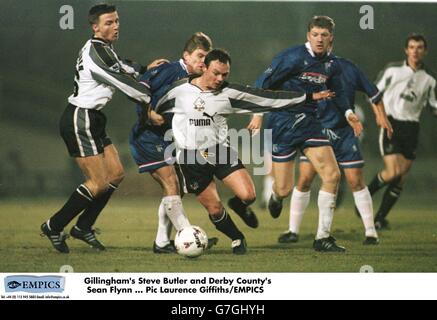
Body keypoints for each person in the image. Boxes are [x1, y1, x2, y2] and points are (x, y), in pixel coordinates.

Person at [155, 49, 326, 254]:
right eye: (216, 73)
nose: (220, 78)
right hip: (191, 158)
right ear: (204, 68)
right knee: (215, 209)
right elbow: (156, 104)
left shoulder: (229, 93)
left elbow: (268, 98)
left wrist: (308, 97)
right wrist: (151, 116)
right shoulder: (179, 90)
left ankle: (239, 204)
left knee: (249, 195)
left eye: (225, 74)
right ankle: (237, 238)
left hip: (219, 152)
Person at [40, 4, 155, 253]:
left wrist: (147, 68)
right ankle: (53, 225)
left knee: (115, 175)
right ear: (95, 27)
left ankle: (83, 227)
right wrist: (148, 94)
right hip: (80, 117)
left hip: (93, 118)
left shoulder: (102, 49)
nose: (115, 26)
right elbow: (127, 85)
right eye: (109, 23)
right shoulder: (97, 52)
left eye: (116, 21)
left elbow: (122, 67)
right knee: (97, 182)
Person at [255, 16, 355, 252]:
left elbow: (338, 91)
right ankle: (277, 197)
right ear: (308, 36)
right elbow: (262, 82)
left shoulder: (332, 64)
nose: (319, 39)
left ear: (331, 37)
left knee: (332, 175)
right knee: (284, 188)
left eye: (324, 35)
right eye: (315, 34)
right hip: (283, 124)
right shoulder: (292, 57)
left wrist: (349, 112)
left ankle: (323, 238)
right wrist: (257, 114)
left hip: (311, 123)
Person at [278, 56, 393, 245]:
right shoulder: (307, 70)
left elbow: (374, 93)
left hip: (344, 132)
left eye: (325, 36)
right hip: (316, 130)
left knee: (356, 180)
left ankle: (371, 232)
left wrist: (381, 116)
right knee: (305, 178)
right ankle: (293, 230)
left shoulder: (349, 68)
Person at [129, 32, 219, 253]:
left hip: (169, 139)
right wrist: (147, 113)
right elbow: (138, 87)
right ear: (186, 56)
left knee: (177, 190)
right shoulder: (170, 70)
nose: (202, 62)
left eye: (206, 58)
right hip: (148, 137)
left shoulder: (199, 80)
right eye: (199, 56)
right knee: (171, 183)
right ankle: (190, 237)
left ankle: (161, 242)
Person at [368, 34, 437, 230]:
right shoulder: (393, 70)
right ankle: (364, 196)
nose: (415, 51)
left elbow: (433, 105)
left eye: (420, 47)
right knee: (393, 172)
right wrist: (379, 115)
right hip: (392, 123)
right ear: (406, 50)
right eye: (412, 47)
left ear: (425, 51)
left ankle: (380, 218)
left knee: (401, 178)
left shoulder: (430, 79)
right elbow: (373, 92)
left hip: (411, 128)